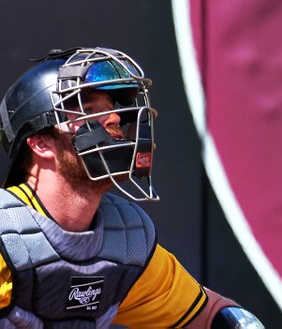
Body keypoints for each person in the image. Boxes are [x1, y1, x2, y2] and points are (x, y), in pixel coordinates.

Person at [0, 46, 264, 328]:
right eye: (89, 110)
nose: (114, 119)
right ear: (41, 143)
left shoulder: (124, 241)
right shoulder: (7, 238)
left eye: (112, 110)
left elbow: (210, 316)